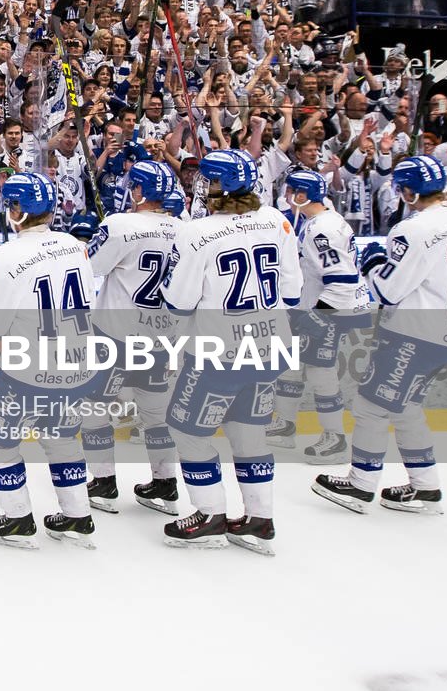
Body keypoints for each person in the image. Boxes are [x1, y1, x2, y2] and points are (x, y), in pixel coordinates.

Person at [315, 155, 447, 516]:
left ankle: (360, 484)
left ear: (409, 191)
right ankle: (425, 487)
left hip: (416, 335)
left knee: (371, 406)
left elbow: (387, 291)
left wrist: (374, 263)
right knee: (406, 408)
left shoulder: (413, 229)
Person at [157, 148, 303, 554]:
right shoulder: (277, 219)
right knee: (249, 430)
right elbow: (292, 292)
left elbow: (179, 302)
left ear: (216, 185)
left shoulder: (196, 232)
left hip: (220, 354)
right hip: (272, 348)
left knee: (187, 431)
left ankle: (210, 515)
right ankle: (260, 519)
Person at [0, 172, 101, 548]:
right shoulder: (74, 245)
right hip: (79, 364)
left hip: (30, 369)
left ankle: (17, 518)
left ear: (15, 210)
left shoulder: (2, 257)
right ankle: (77, 515)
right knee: (61, 436)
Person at [79, 159, 180, 515]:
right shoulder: (184, 230)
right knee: (156, 414)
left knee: (94, 408)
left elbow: (90, 267)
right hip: (160, 338)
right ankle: (166, 484)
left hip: (115, 337)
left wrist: (96, 237)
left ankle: (104, 483)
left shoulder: (120, 224)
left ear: (138, 189)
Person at [269, 168, 372, 465]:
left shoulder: (322, 229)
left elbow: (342, 279)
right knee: (290, 365)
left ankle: (335, 438)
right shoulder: (317, 220)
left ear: (303, 195)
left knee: (320, 372)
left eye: (291, 191)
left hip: (330, 309)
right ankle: (285, 425)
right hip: (315, 305)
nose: (287, 196)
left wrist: (317, 316)